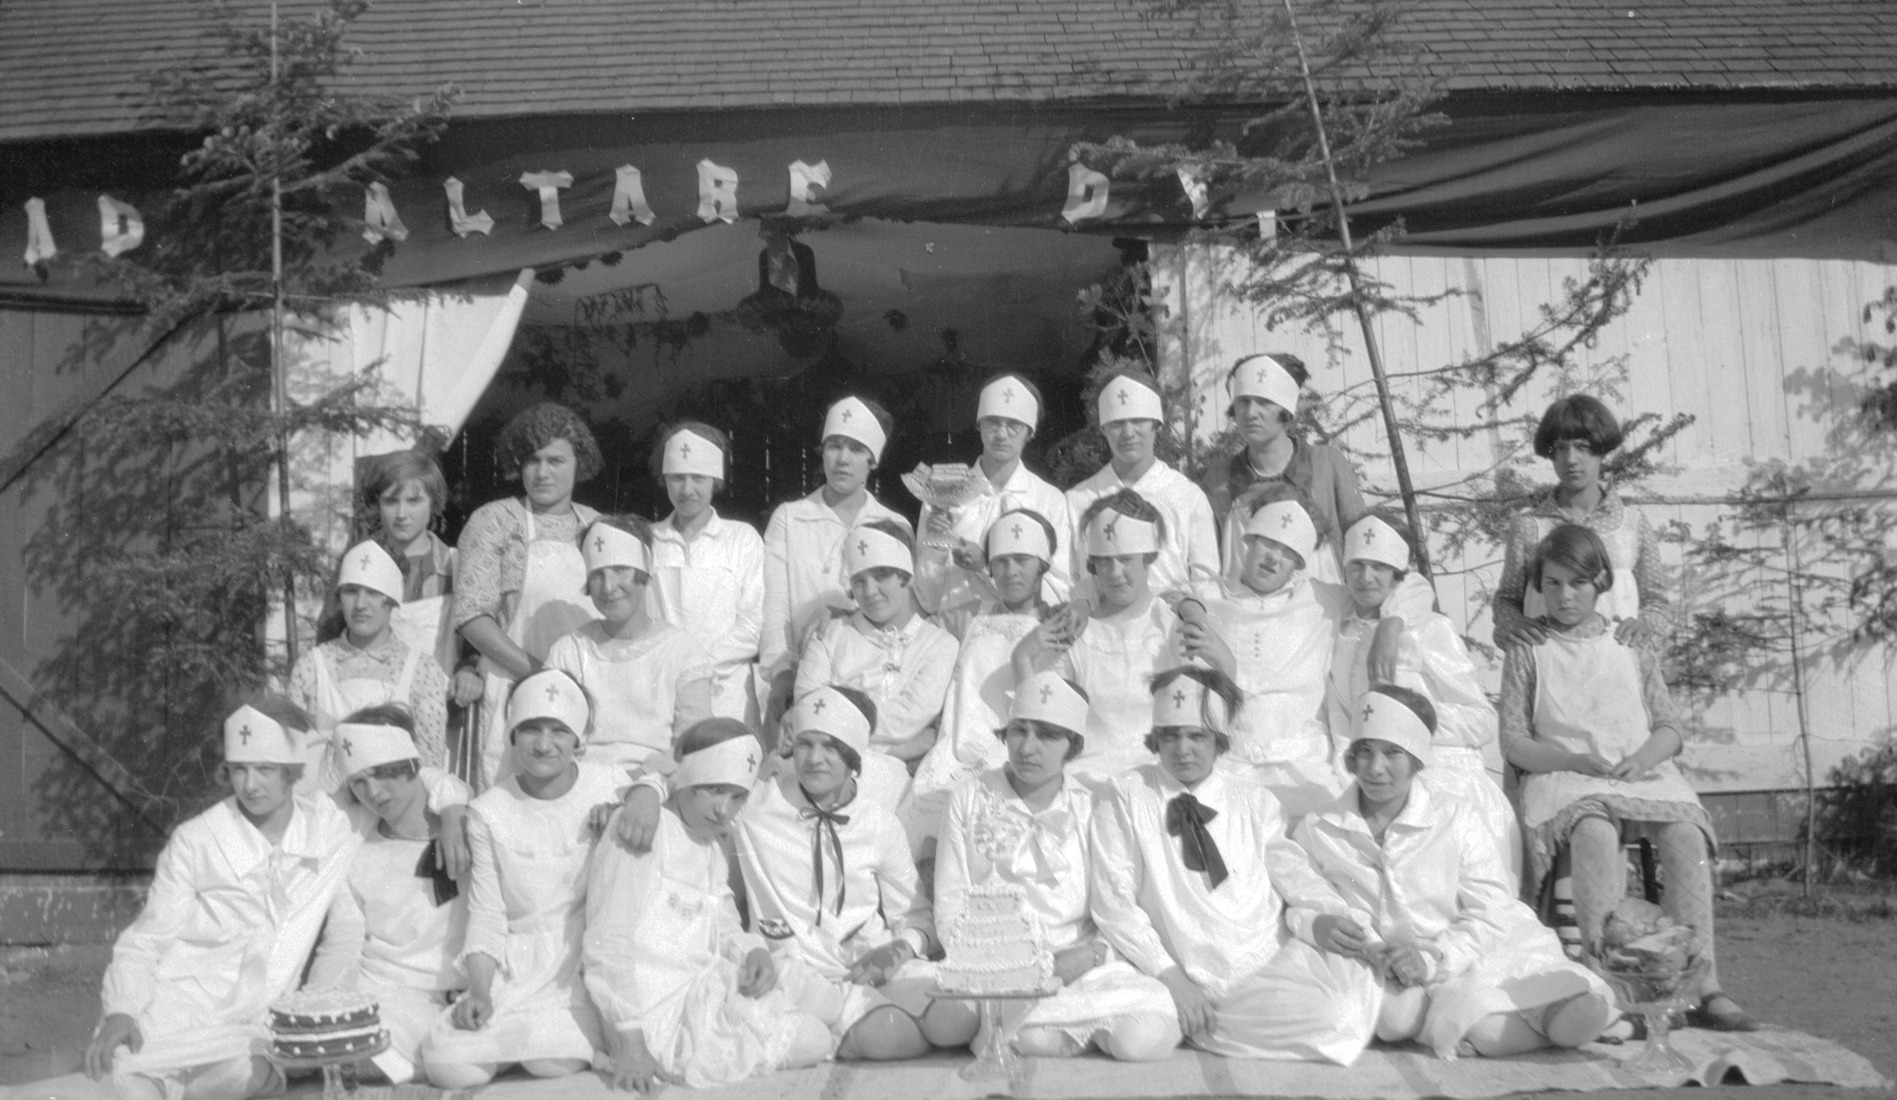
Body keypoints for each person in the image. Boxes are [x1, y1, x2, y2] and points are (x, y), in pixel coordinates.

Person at [1498, 525, 1755, 1031]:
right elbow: (1514, 741)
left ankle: (1701, 983)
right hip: (1567, 776)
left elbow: (1670, 728)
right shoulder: (1530, 647)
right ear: (1538, 586)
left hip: (1640, 771)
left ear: (1601, 582)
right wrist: (1570, 761)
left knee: (1685, 833)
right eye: (1552, 584)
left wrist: (1642, 758)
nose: (1564, 596)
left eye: (1577, 583)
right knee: (1594, 831)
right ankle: (1610, 987)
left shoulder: (1628, 642)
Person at [1292, 687, 1614, 1059]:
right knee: (1401, 1018)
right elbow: (1302, 902)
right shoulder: (1319, 828)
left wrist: (1433, 959)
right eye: (1364, 751)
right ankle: (1473, 1025)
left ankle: (1533, 1016)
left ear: (1417, 758)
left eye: (1393, 752)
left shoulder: (1457, 817)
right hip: (1383, 965)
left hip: (1470, 951)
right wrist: (1321, 926)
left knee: (1571, 1012)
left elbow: (1492, 911)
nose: (1375, 768)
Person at [1089, 667, 1381, 1063]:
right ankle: (1187, 1013)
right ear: (1156, 739)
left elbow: (1295, 875)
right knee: (1134, 1044)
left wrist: (1337, 923)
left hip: (1257, 965)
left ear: (1219, 741)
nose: (1182, 749)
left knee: (1339, 1015)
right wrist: (1169, 974)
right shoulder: (1125, 795)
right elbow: (1113, 899)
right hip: (1171, 966)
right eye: (1170, 735)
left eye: (1197, 736)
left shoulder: (1253, 801)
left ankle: (1204, 1024)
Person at [84, 699, 360, 1100]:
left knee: (249, 1072)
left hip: (247, 1033)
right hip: (176, 1009)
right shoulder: (197, 839)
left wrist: (448, 801)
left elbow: (347, 926)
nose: (250, 785)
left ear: (292, 772)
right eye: (239, 770)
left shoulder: (328, 831)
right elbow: (146, 940)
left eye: (265, 769)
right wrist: (122, 1009)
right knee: (123, 1072)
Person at [934, 671, 1180, 1062]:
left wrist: (1096, 954)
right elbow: (949, 903)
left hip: (1084, 964)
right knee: (1019, 1034)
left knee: (1145, 1037)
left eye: (1047, 736)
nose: (1027, 748)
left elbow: (1114, 902)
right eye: (1019, 731)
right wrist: (997, 966)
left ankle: (1079, 1027)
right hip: (998, 966)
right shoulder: (969, 797)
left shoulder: (1091, 805)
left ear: (1073, 746)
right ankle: (1062, 1033)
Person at [584, 719, 835, 1091]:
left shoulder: (710, 842)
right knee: (815, 1038)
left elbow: (723, 917)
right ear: (686, 780)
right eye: (714, 791)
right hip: (653, 1013)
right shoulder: (643, 826)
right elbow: (606, 943)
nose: (723, 810)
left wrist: (753, 952)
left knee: (825, 999)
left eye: (736, 797)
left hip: (702, 982)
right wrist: (631, 1041)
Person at [730, 686, 954, 1061]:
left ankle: (861, 1026)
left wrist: (898, 949)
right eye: (805, 744)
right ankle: (845, 1034)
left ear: (854, 759)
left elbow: (916, 916)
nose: (814, 759)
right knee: (895, 1036)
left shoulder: (877, 824)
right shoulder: (755, 807)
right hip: (798, 973)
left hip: (870, 965)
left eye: (831, 747)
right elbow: (691, 791)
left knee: (958, 1012)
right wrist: (648, 788)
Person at [420, 669, 615, 1086]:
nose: (543, 744)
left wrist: (633, 802)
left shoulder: (611, 786)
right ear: (511, 734)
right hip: (519, 966)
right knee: (448, 1064)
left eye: (559, 731)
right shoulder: (490, 809)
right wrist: (480, 992)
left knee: (551, 1060)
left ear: (578, 739)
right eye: (530, 729)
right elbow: (488, 912)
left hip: (582, 962)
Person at [1330, 513, 1520, 884]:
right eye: (1357, 565)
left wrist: (1409, 723)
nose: (1366, 577)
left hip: (1436, 767)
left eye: (1380, 567)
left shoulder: (1428, 630)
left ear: (1398, 574)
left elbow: (1482, 719)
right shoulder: (1340, 632)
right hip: (1364, 769)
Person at [1174, 496, 1370, 819]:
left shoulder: (1323, 600)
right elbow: (1166, 592)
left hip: (1302, 767)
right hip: (1232, 763)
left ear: (1299, 564)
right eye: (1267, 543)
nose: (1273, 558)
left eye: (1288, 552)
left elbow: (1392, 589)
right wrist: (1191, 609)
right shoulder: (1211, 596)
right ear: (1249, 540)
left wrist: (1394, 622)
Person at [305, 707, 470, 1085]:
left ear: (411, 764)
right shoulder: (356, 849)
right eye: (359, 782)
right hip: (382, 990)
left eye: (382, 773)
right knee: (322, 1047)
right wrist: (317, 1002)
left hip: (450, 994)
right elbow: (344, 938)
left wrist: (453, 810)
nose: (374, 793)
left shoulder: (464, 831)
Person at [455, 402, 604, 788]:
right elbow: (472, 616)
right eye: (533, 460)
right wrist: (542, 672)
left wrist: (581, 685)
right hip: (513, 686)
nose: (542, 472)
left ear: (579, 463)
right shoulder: (493, 521)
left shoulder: (598, 527)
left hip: (586, 692)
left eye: (556, 460)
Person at [906, 509, 1061, 849]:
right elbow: (907, 632)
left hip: (1024, 756)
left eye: (1022, 560)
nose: (1010, 571)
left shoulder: (1060, 623)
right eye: (1000, 562)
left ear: (1043, 565)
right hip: (955, 753)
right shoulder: (968, 615)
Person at [760, 395, 912, 733]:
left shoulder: (894, 524)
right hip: (803, 676)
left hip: (872, 678)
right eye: (834, 446)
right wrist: (782, 671)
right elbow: (775, 605)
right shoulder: (791, 518)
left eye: (856, 449)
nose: (842, 459)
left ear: (873, 459)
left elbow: (901, 609)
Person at [1013, 490, 1182, 788]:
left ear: (1148, 558)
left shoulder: (1170, 627)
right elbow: (1045, 719)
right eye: (1103, 562)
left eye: (1125, 559)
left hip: (1158, 780)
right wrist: (1022, 658)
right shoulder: (1076, 630)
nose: (1114, 573)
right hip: (1087, 780)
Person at [1493, 394, 1671, 651]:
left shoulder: (1632, 524)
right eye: (1561, 448)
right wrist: (1514, 626)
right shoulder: (1530, 526)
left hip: (1616, 660)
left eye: (1583, 447)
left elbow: (1656, 601)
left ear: (1601, 450)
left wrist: (1646, 626)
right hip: (1550, 661)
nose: (1571, 459)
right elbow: (1507, 599)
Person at [546, 515, 715, 777]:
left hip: (655, 784)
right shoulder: (568, 651)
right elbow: (551, 733)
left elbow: (693, 745)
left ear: (644, 572)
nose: (609, 587)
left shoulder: (683, 652)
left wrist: (643, 779)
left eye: (620, 570)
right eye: (598, 575)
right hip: (579, 781)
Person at [795, 520, 957, 775]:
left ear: (906, 575)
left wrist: (837, 724)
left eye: (881, 576)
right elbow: (808, 711)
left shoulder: (940, 644)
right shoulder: (828, 635)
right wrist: (896, 751)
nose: (869, 591)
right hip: (831, 770)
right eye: (859, 581)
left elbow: (912, 714)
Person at [288, 540, 450, 791]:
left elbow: (429, 765)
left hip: (391, 805)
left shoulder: (422, 670)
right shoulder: (311, 666)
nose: (360, 604)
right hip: (322, 803)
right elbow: (293, 754)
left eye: (373, 592)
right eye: (351, 591)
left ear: (392, 600)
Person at [912, 373, 1073, 614]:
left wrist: (987, 566)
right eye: (993, 422)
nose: (1001, 434)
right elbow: (927, 600)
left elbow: (1060, 591)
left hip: (1026, 631)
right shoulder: (942, 494)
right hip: (955, 630)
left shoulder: (1048, 500)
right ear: (979, 425)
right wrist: (935, 548)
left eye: (1014, 425)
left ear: (1030, 432)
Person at [1200, 353, 1366, 584]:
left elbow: (1363, 546)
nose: (1251, 413)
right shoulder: (1219, 477)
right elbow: (1207, 562)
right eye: (1243, 401)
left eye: (1264, 402)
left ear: (1286, 410)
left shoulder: (1326, 464)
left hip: (1324, 600)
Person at [645, 423, 766, 723]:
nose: (687, 490)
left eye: (698, 477)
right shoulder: (647, 540)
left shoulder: (741, 539)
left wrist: (700, 667)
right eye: (677, 478)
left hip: (727, 694)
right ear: (664, 479)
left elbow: (752, 623)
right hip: (663, 689)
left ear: (715, 479)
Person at [1064, 370, 1219, 602]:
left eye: (1138, 421)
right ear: (1103, 428)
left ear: (1156, 424)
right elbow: (1068, 582)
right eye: (1117, 423)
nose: (1128, 433)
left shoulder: (1188, 496)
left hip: (1173, 620)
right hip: (1100, 621)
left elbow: (1207, 584)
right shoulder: (1078, 500)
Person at [365, 448, 468, 682]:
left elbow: (473, 646)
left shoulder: (454, 564)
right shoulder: (364, 564)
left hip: (438, 694)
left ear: (433, 503)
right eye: (391, 501)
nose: (401, 513)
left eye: (414, 501)